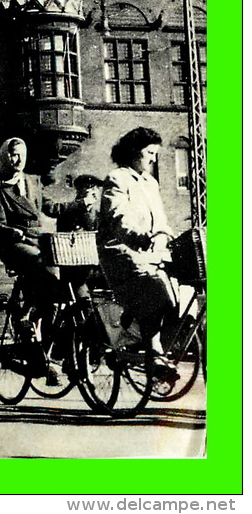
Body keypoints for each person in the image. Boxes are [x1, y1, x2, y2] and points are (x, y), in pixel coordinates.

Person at [98, 127, 177, 376]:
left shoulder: (150, 183)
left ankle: (137, 330)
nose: (153, 159)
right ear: (134, 151)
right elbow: (118, 216)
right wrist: (139, 239)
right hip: (122, 252)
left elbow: (161, 220)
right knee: (156, 288)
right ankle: (153, 352)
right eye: (149, 152)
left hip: (151, 252)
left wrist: (168, 236)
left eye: (155, 153)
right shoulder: (117, 179)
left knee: (181, 293)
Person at [0, 137, 64, 381]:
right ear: (4, 157)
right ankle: (24, 318)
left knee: (57, 292)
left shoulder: (33, 181)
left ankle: (44, 352)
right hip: (15, 245)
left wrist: (79, 206)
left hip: (38, 241)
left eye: (21, 154)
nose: (17, 160)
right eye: (12, 155)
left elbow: (50, 208)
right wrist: (13, 231)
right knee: (42, 265)